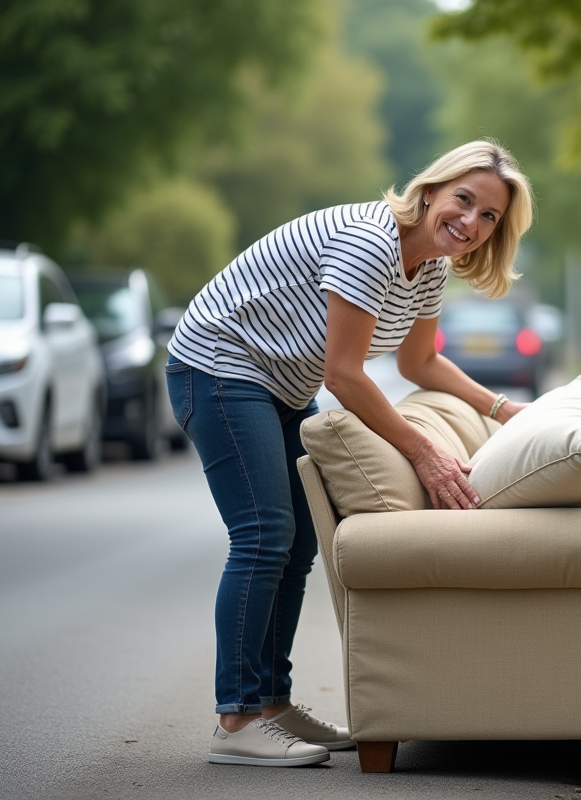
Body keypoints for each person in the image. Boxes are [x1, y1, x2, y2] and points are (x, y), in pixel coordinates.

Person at [165, 140, 535, 767]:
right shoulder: (371, 243)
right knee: (263, 533)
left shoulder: (430, 266)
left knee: (301, 537)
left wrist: (500, 408)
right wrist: (425, 453)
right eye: (463, 200)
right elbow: (345, 375)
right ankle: (235, 721)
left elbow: (418, 362)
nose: (470, 222)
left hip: (278, 382)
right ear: (430, 192)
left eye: (489, 216)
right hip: (221, 368)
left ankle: (273, 706)